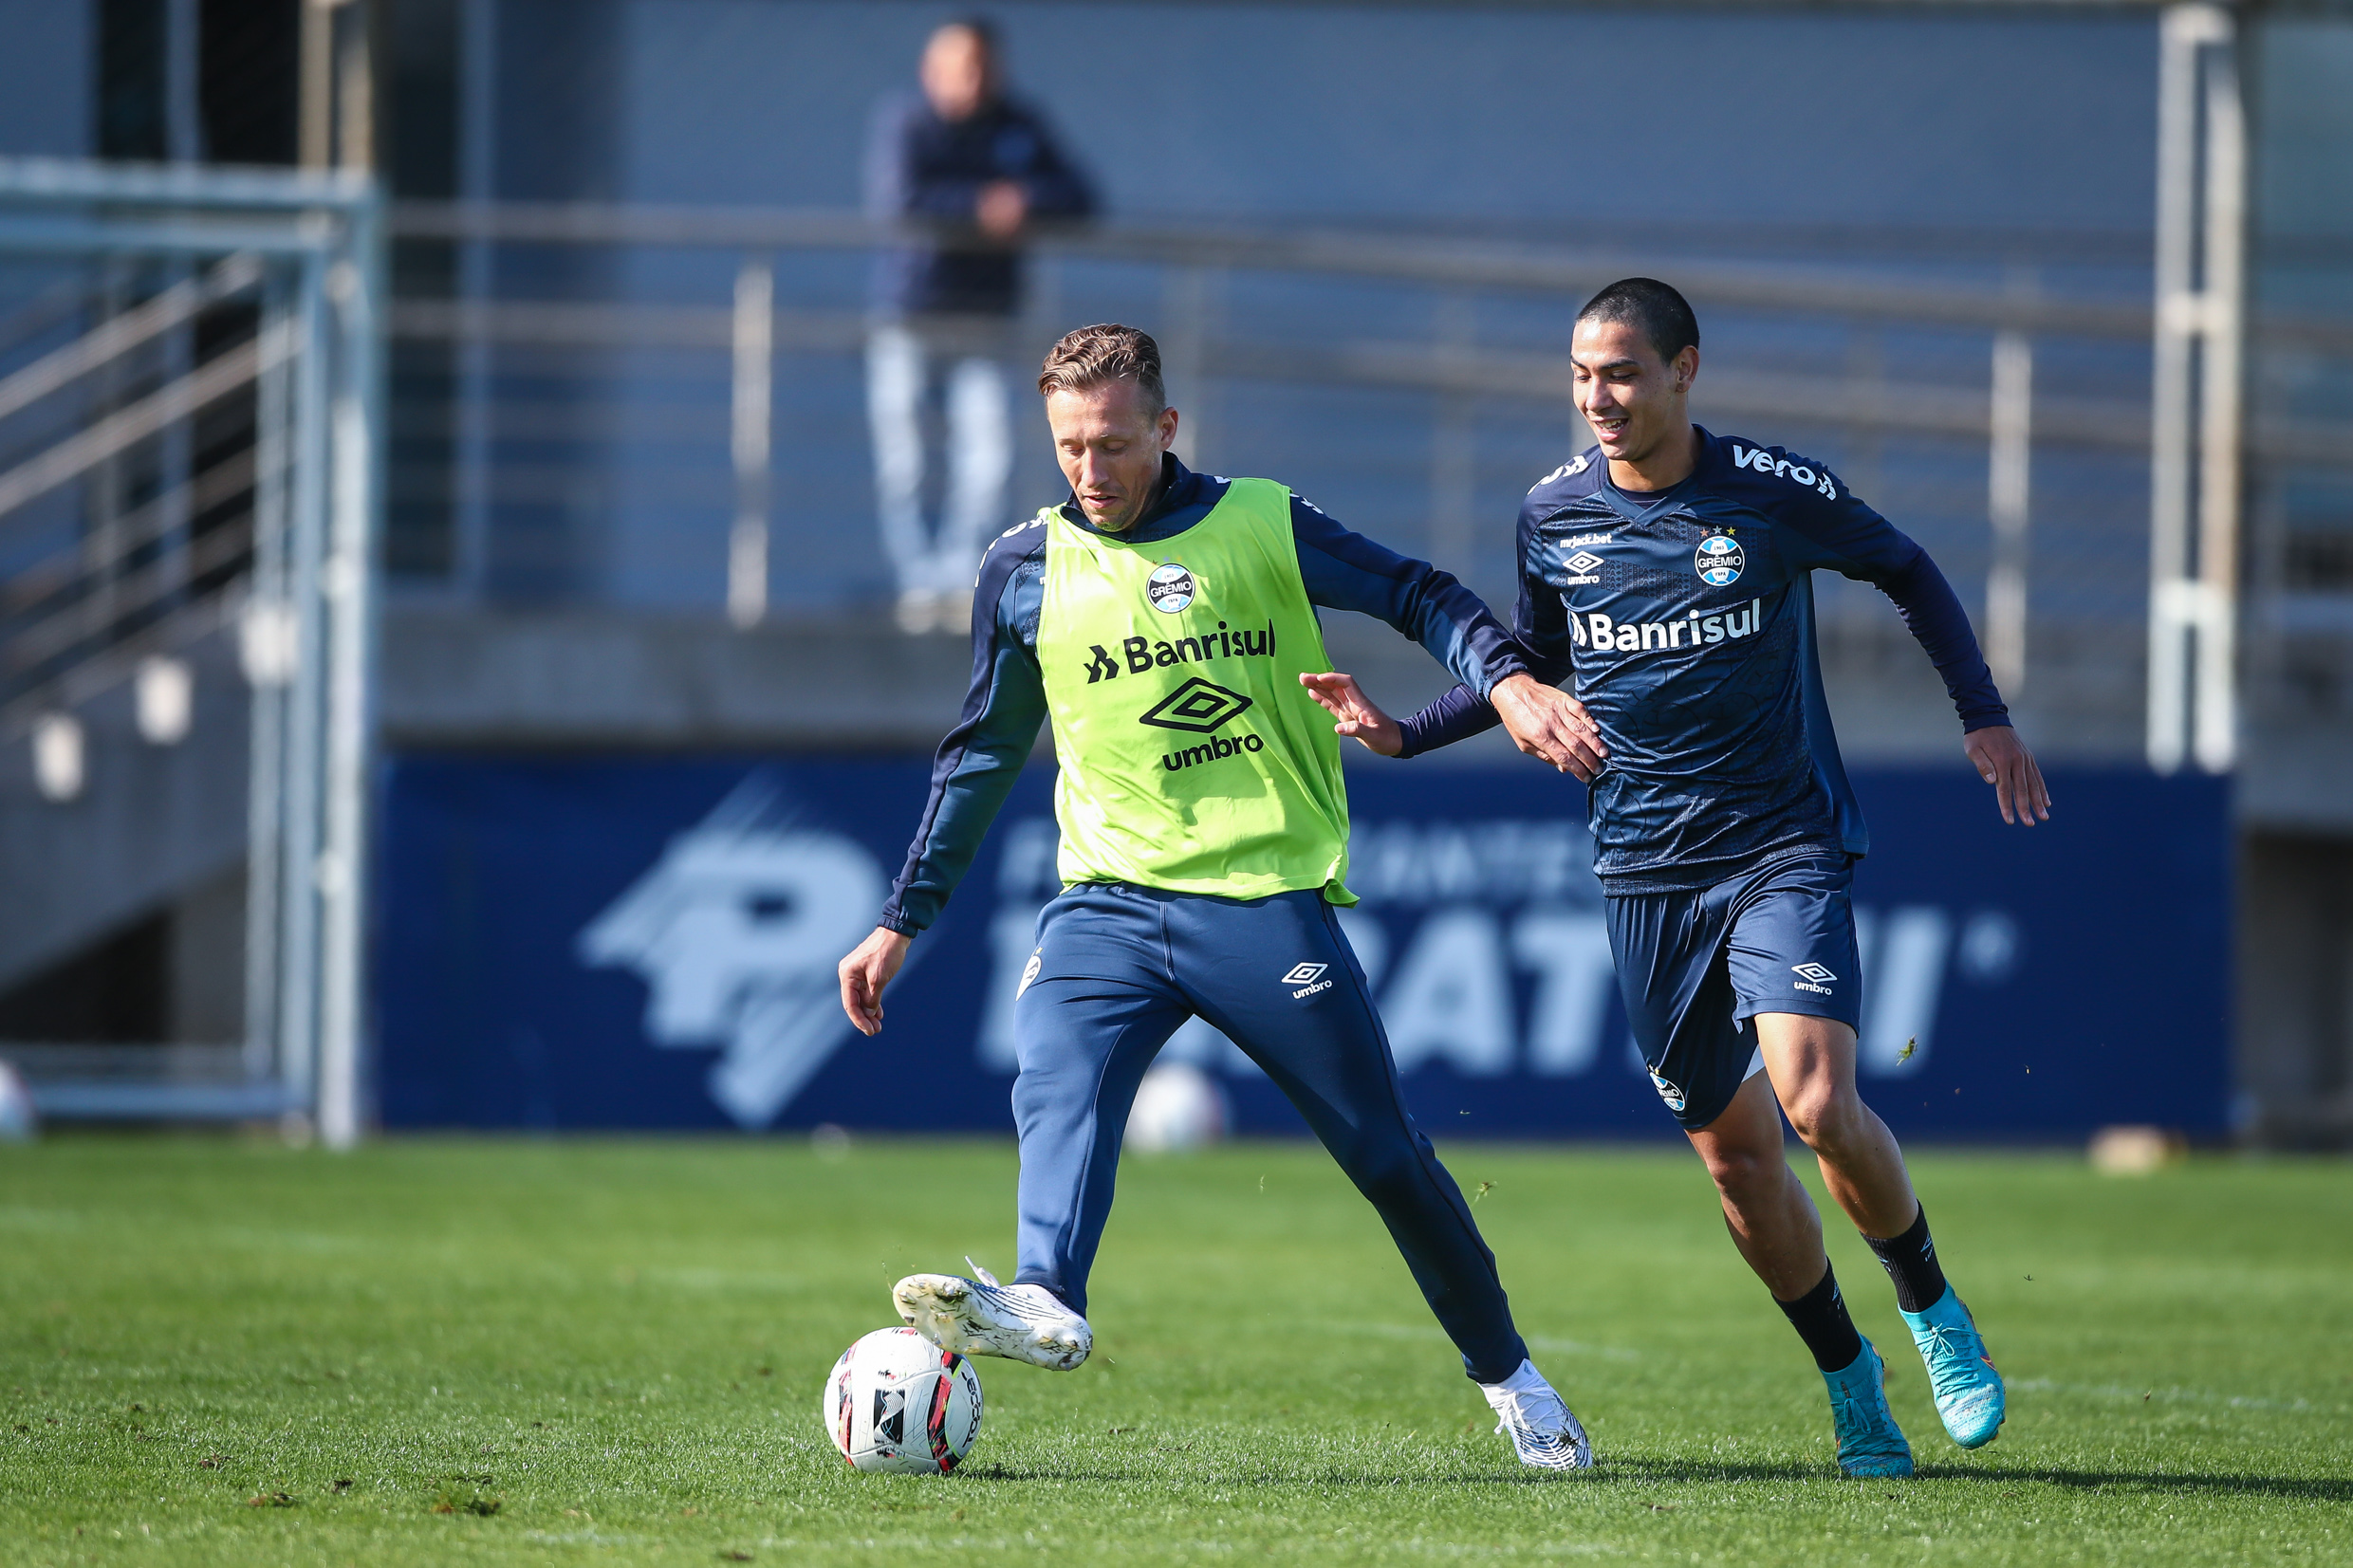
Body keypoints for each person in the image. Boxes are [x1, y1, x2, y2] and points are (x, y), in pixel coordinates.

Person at [1305, 279, 2047, 1480]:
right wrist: (1403, 733)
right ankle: (1849, 1381)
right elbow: (1536, 665)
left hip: (1776, 844)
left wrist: (1984, 717)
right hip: (1641, 868)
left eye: (1622, 374)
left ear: (1683, 371)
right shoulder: (1550, 514)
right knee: (1734, 1157)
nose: (1597, 398)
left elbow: (1904, 568)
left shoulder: (1765, 492)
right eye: (1580, 376)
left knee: (1812, 1101)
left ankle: (1929, 1310)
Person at [836, 323, 1603, 1471]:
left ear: (1164, 428)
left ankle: (1513, 1382)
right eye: (1067, 448)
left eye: (1110, 444)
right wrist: (904, 916)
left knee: (1384, 1157)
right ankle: (1043, 1293)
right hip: (1103, 899)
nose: (1089, 472)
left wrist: (1507, 677)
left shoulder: (1261, 523)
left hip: (1258, 895)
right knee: (1053, 1081)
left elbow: (1416, 591)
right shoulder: (1024, 569)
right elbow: (981, 754)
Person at [865, 17, 1095, 635]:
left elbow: (1080, 195)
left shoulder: (1018, 123)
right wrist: (979, 206)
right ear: (931, 70)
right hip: (911, 317)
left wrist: (1025, 202)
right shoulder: (907, 123)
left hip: (990, 317)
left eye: (982, 67)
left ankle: (957, 581)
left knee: (988, 456)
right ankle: (920, 584)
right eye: (959, 67)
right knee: (906, 459)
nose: (972, 80)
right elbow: (900, 201)